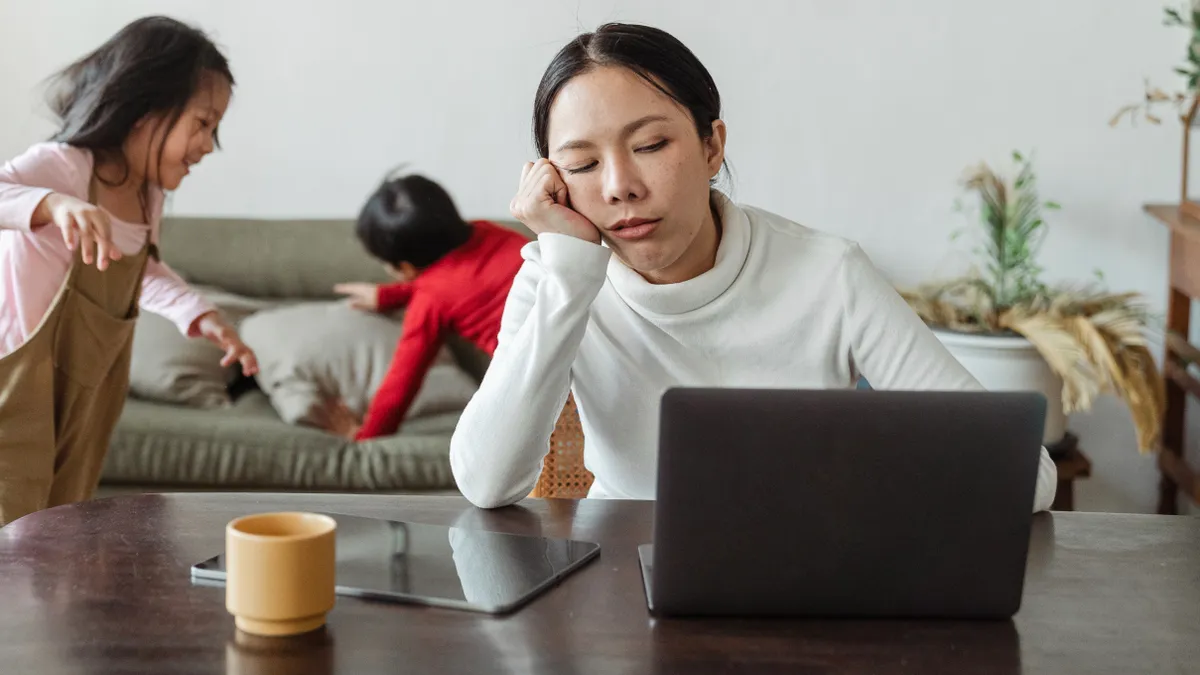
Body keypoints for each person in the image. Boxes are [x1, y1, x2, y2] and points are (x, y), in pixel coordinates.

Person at [449, 22, 1058, 511]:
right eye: (581, 165)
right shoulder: (559, 278)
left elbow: (1025, 477)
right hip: (621, 588)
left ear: (712, 145)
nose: (619, 187)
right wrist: (570, 273)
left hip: (805, 580)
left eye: (651, 146)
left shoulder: (828, 274)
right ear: (551, 180)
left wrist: (855, 492)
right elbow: (486, 483)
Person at [0, 16, 258, 524]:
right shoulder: (64, 166)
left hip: (87, 401)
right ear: (145, 110)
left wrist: (201, 315)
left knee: (58, 525)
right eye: (202, 123)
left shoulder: (147, 197)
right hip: (17, 385)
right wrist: (53, 204)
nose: (209, 145)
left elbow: (143, 271)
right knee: (11, 514)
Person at [331, 173, 527, 440]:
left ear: (405, 267)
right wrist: (389, 296)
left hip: (542, 381)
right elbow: (466, 279)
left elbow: (402, 381)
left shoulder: (430, 302)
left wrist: (367, 434)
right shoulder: (488, 231)